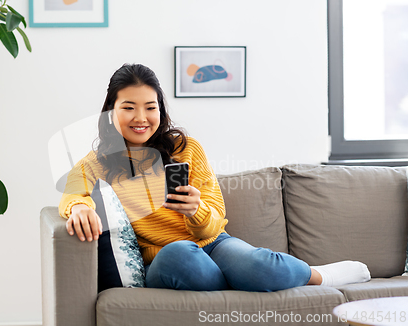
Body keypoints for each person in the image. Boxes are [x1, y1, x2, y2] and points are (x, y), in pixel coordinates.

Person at [59, 63, 371, 292]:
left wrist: (196, 210)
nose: (141, 118)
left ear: (160, 110)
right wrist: (79, 207)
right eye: (129, 107)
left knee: (261, 266)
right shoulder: (96, 164)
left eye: (150, 107)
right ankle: (238, 282)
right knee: (179, 255)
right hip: (163, 259)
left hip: (212, 243)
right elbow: (72, 192)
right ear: (111, 113)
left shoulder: (186, 149)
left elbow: (215, 216)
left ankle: (317, 275)